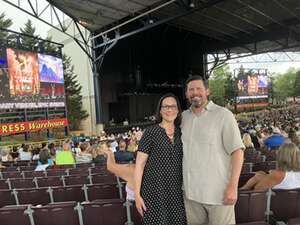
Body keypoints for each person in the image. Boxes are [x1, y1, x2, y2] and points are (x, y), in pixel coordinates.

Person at [181, 76, 244, 225]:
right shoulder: (183, 118)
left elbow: (237, 151)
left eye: (199, 89)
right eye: (191, 90)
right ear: (186, 94)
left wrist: (233, 187)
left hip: (218, 195)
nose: (195, 93)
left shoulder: (223, 115)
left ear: (207, 91)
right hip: (191, 196)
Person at [134, 93, 187, 225]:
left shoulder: (182, 132)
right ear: (160, 110)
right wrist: (137, 195)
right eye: (166, 106)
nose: (169, 110)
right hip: (154, 192)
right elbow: (139, 165)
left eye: (173, 106)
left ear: (178, 110)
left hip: (177, 192)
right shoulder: (150, 132)